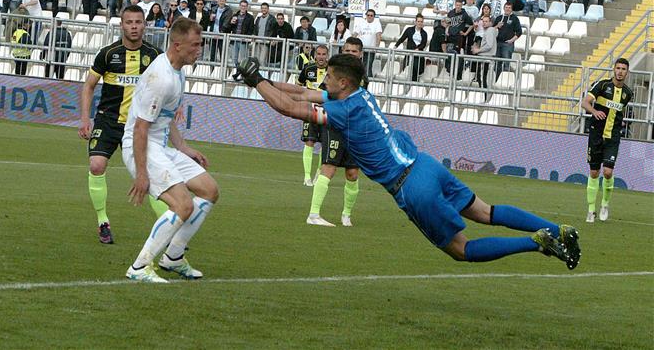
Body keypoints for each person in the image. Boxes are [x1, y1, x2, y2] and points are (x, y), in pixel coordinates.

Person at [233, 55, 581, 269]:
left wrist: (255, 82)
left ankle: (535, 242)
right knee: (486, 212)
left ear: (341, 82)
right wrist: (262, 78)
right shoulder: (359, 95)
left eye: (327, 77)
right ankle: (556, 227)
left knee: (462, 251)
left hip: (413, 188)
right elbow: (302, 92)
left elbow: (290, 107)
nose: (321, 81)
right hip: (426, 163)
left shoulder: (342, 111)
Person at [123, 17, 218, 282]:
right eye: (195, 45)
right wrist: (141, 173)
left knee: (209, 191)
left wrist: (183, 148)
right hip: (140, 147)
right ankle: (140, 267)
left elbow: (164, 118)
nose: (199, 50)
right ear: (177, 45)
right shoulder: (160, 78)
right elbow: (140, 128)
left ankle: (173, 257)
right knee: (182, 205)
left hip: (159, 146)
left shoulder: (178, 71)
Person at [77, 5, 166, 244]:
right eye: (129, 22)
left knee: (151, 176)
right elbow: (89, 86)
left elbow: (166, 86)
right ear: (122, 25)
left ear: (145, 25)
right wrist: (85, 119)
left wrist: (172, 108)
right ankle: (103, 222)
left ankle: (168, 229)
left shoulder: (156, 56)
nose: (134, 26)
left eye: (138, 22)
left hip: (140, 126)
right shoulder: (108, 54)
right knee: (96, 165)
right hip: (108, 120)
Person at [305, 37, 369, 227]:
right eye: (347, 51)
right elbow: (323, 95)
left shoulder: (363, 78)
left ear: (360, 54)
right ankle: (314, 214)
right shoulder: (332, 73)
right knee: (329, 168)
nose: (350, 54)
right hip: (335, 126)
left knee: (352, 173)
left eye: (354, 51)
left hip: (354, 130)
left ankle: (346, 215)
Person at [581, 58, 633, 223]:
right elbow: (585, 103)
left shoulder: (627, 93)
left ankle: (604, 204)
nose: (620, 71)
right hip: (596, 134)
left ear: (627, 72)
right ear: (613, 69)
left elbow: (618, 112)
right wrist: (594, 112)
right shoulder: (602, 85)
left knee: (608, 172)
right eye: (618, 68)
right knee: (594, 172)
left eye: (623, 69)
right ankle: (591, 210)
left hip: (613, 136)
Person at [297, 44, 328, 187]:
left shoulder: (332, 71)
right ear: (315, 55)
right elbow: (298, 85)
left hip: (326, 112)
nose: (321, 57)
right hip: (310, 111)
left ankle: (319, 172)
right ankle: (306, 177)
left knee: (324, 143)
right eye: (319, 54)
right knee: (309, 141)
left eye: (324, 54)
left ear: (327, 56)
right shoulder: (308, 69)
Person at [395, 14, 428, 82]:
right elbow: (402, 39)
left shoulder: (424, 33)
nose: (420, 23)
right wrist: (395, 46)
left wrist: (418, 49)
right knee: (408, 69)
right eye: (418, 21)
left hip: (418, 55)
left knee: (415, 70)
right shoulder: (409, 30)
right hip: (409, 53)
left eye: (421, 21)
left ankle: (413, 85)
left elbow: (423, 44)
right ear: (415, 22)